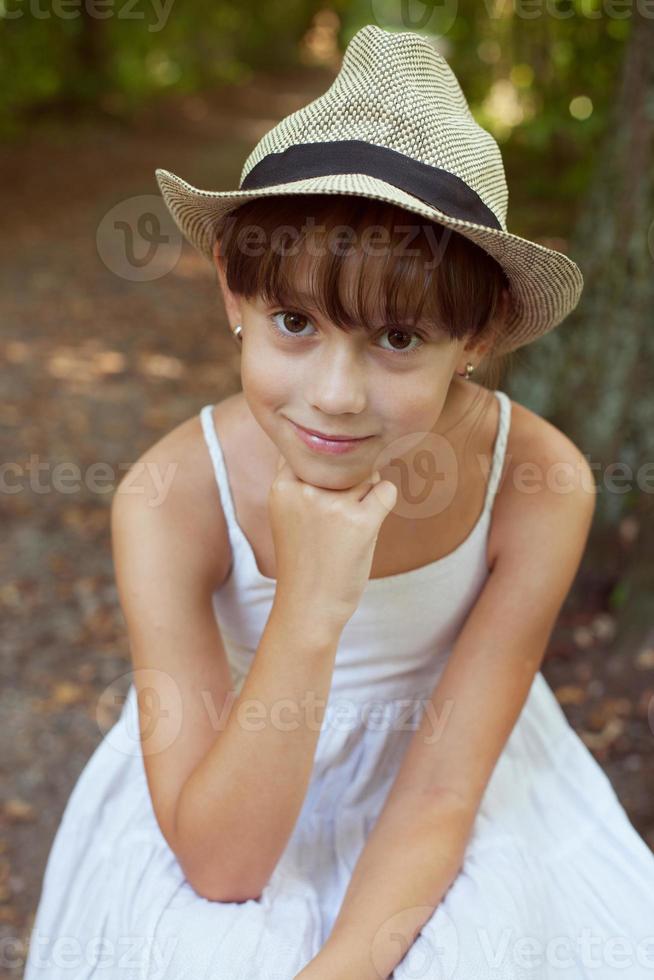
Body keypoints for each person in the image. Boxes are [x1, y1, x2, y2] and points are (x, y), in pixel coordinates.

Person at [23, 23, 654, 980]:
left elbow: (442, 789)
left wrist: (349, 962)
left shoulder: (537, 481)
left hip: (452, 784)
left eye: (400, 339)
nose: (335, 395)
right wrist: (310, 611)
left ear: (478, 335)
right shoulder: (168, 499)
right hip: (230, 785)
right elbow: (221, 864)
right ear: (233, 293)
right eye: (293, 323)